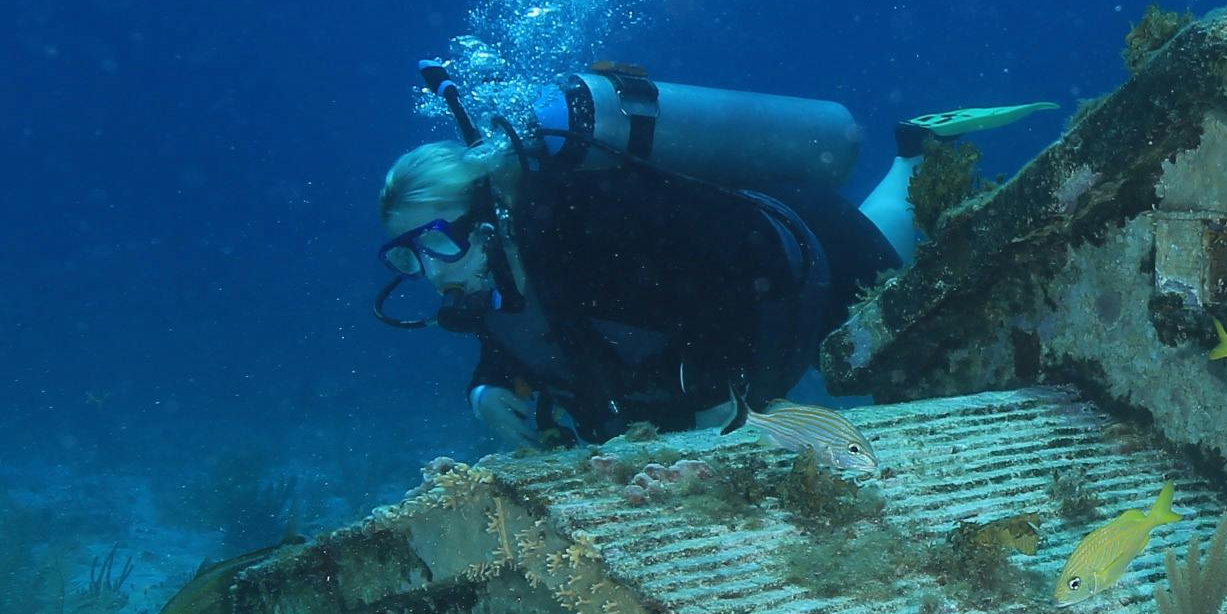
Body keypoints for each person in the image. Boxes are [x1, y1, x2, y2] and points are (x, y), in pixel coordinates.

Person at [377, 100, 920, 446]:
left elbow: (726, 255)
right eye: (408, 255)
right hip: (780, 326)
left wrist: (711, 388)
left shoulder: (592, 225)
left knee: (904, 312)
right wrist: (487, 387)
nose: (428, 271)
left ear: (488, 216)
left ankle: (914, 158)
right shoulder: (492, 272)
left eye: (436, 241)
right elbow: (522, 333)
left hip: (817, 245)